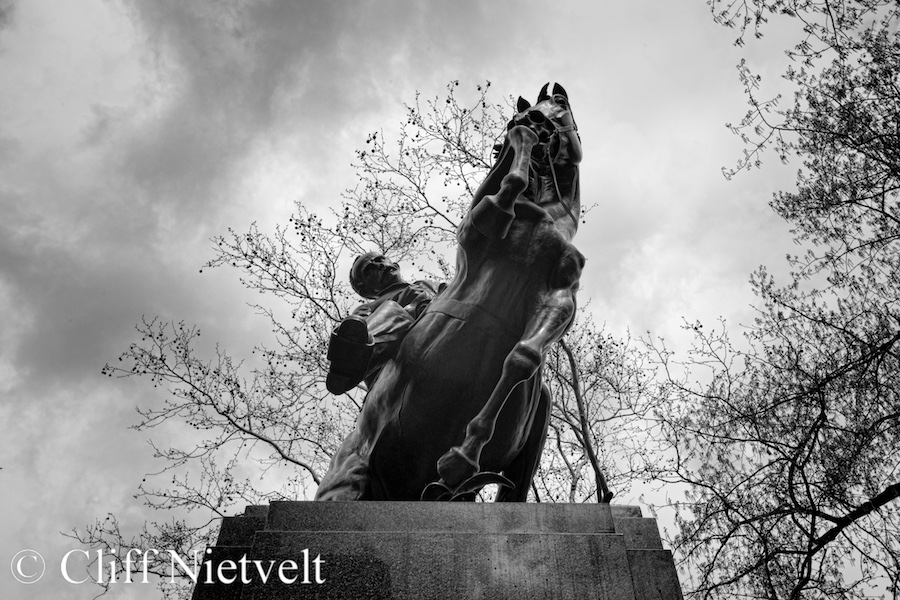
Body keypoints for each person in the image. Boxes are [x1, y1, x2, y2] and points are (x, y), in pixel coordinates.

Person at [325, 252, 440, 395]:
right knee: (392, 310)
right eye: (369, 269)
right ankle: (352, 362)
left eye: (380, 260)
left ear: (395, 266)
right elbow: (360, 329)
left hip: (442, 330)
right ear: (364, 289)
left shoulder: (429, 285)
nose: (379, 265)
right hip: (400, 364)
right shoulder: (370, 308)